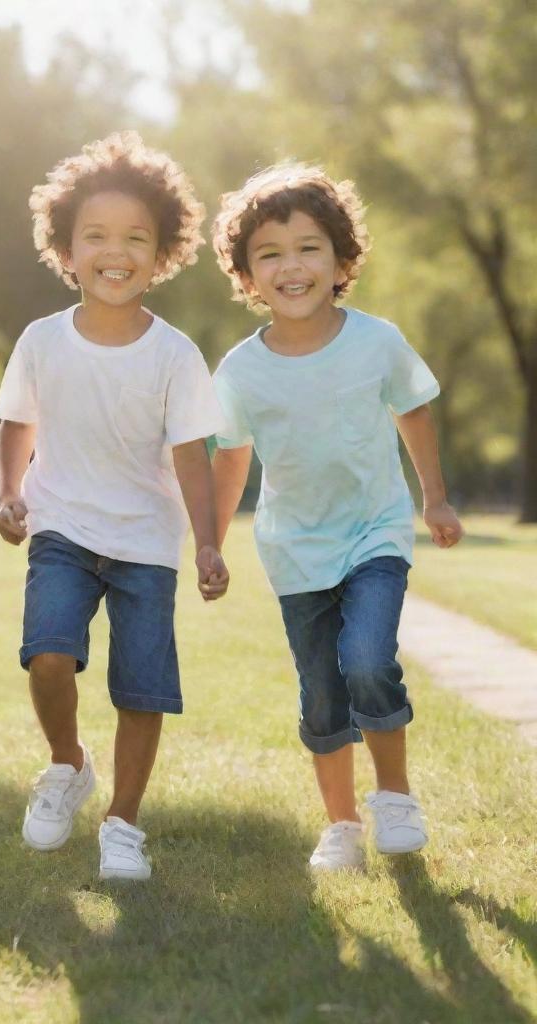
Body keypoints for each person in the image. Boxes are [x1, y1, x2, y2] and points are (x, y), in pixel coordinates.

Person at [210, 162, 464, 871]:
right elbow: (230, 459)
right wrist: (209, 542)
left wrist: (433, 497)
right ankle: (342, 826)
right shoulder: (239, 371)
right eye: (270, 253)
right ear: (247, 276)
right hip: (293, 548)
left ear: (342, 259)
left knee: (368, 660)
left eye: (308, 247)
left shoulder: (376, 341)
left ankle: (396, 799)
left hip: (375, 530)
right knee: (322, 689)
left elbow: (412, 408)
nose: (291, 266)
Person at [0, 131, 228, 882]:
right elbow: (16, 424)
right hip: (61, 524)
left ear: (162, 254)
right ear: (65, 249)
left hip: (148, 542)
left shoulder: (175, 354)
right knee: (49, 654)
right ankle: (67, 763)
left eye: (135, 238)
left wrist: (210, 543)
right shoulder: (41, 340)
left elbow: (193, 457)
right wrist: (10, 491)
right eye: (95, 236)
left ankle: (123, 822)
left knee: (142, 685)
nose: (114, 252)